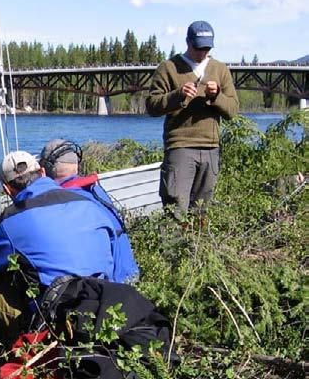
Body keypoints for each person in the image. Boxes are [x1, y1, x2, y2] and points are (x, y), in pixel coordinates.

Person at [0, 151, 117, 368]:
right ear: (42, 172)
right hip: (105, 310)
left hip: (52, 323)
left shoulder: (13, 220)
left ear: (7, 189)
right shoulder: (90, 205)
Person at [146, 20, 239, 216]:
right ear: (188, 42)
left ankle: (198, 247)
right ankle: (173, 247)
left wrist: (216, 97)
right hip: (179, 147)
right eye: (198, 47)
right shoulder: (169, 68)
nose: (202, 52)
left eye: (207, 48)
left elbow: (232, 111)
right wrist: (177, 95)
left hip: (211, 149)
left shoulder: (220, 69)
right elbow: (152, 106)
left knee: (202, 212)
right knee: (175, 209)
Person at [39, 138, 139, 283]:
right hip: (129, 275)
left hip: (110, 287)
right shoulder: (94, 190)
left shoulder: (66, 202)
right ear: (76, 166)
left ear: (45, 169)